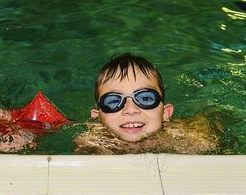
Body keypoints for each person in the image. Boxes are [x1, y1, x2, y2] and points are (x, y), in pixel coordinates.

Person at [73, 53, 219, 155]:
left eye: (145, 98)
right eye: (113, 101)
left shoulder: (184, 137)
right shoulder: (91, 142)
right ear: (97, 116)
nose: (130, 109)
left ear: (165, 113)